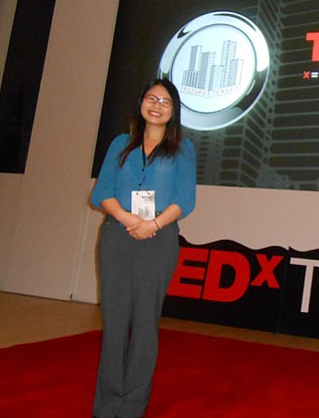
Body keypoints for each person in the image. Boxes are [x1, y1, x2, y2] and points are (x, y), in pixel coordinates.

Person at [90, 78, 196, 418]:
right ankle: (107, 406)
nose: (157, 104)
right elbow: (101, 192)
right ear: (141, 103)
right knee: (116, 321)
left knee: (145, 323)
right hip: (116, 238)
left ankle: (132, 406)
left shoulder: (183, 148)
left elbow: (185, 199)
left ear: (174, 111)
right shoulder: (121, 144)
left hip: (159, 239)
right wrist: (126, 219)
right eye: (151, 98)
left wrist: (152, 223)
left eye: (165, 101)